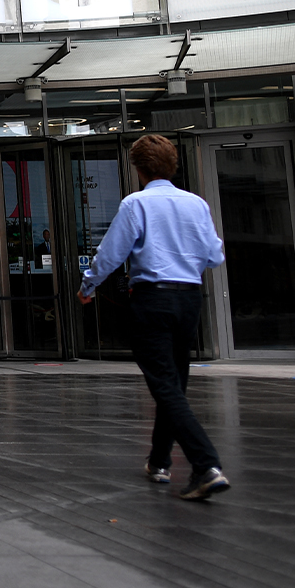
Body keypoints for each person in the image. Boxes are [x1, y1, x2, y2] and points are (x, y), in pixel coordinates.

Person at [78, 134, 229, 501]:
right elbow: (214, 256)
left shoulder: (136, 204)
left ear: (139, 169)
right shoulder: (196, 204)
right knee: (173, 382)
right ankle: (159, 461)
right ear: (173, 165)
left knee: (163, 384)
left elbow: (112, 253)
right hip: (189, 298)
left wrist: (88, 286)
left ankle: (205, 464)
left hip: (151, 299)